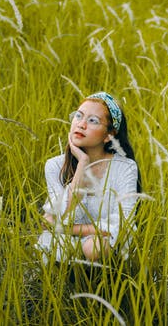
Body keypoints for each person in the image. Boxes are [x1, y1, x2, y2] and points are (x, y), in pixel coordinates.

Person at [36, 92, 141, 263]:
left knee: (93, 248)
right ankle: (70, 279)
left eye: (93, 121)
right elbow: (57, 215)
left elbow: (123, 224)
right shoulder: (54, 166)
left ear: (109, 135)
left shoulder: (125, 167)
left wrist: (68, 229)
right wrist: (83, 162)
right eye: (78, 116)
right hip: (68, 240)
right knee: (56, 246)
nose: (81, 124)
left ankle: (106, 280)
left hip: (107, 242)